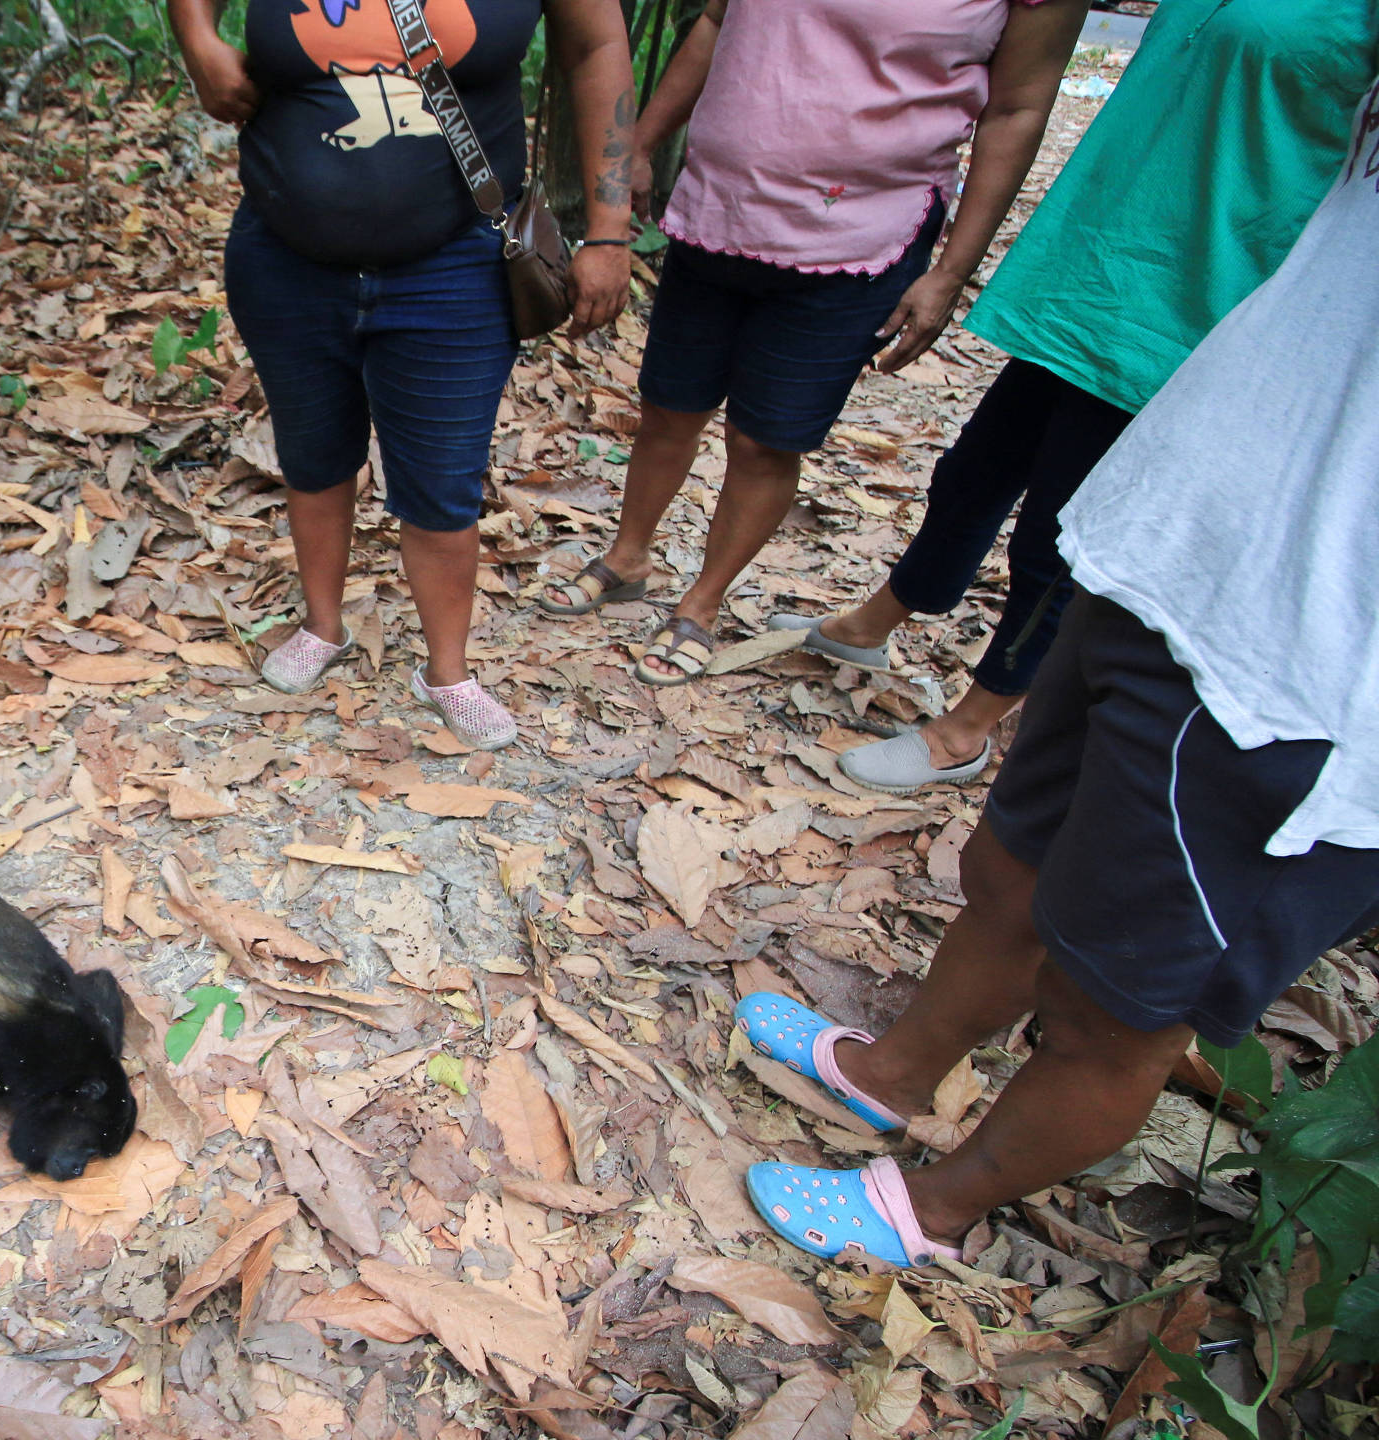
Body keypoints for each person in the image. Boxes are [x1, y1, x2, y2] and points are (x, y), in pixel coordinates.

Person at [738, 81, 1379, 1270]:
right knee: (1007, 868)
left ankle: (932, 1208)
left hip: (1304, 672)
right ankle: (890, 1072)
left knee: (1115, 1005)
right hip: (1171, 548)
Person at [787, 0, 1379, 795]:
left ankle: (965, 731)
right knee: (972, 476)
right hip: (1099, 267)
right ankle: (871, 625)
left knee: (1056, 539)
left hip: (1204, 300)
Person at [543, 0, 1087, 688]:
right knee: (669, 406)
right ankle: (628, 558)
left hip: (860, 234)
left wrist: (949, 273)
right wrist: (640, 145)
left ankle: (702, 603)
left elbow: (1015, 111)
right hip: (722, 204)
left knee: (766, 439)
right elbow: (716, 21)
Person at [171, 0, 635, 749]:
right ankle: (323, 626)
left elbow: (596, 44)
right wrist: (196, 33)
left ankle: (447, 672)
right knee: (313, 452)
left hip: (456, 259)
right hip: (286, 255)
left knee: (442, 480)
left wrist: (610, 229)